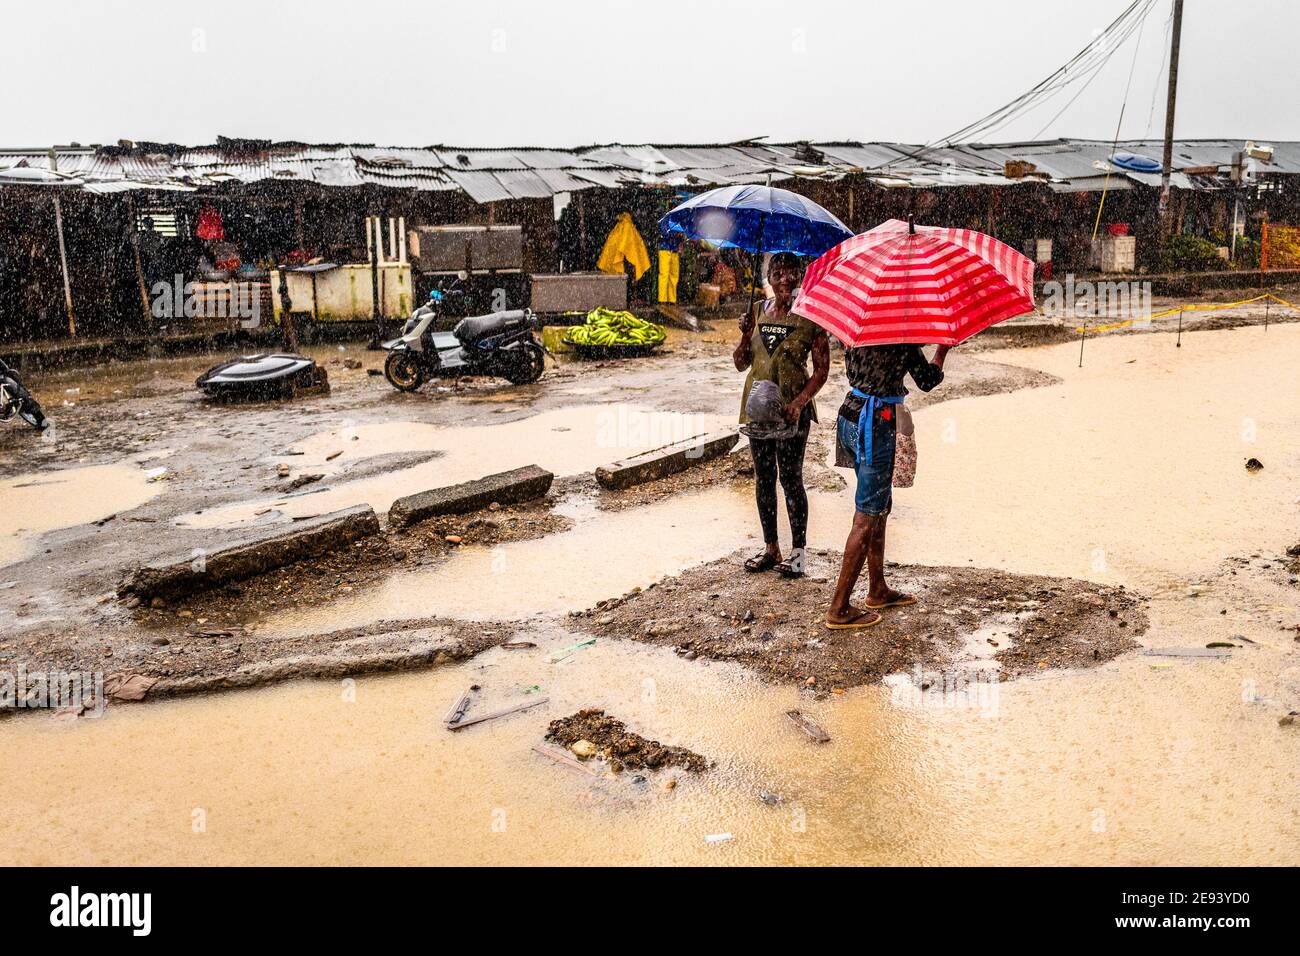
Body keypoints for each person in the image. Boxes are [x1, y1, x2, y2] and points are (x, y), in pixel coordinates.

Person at [825, 343, 950, 629]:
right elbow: (927, 381)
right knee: (867, 514)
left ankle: (877, 588)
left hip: (850, 414)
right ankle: (839, 607)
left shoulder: (857, 333)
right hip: (876, 422)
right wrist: (942, 350)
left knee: (879, 506)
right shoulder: (902, 339)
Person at [734, 252, 829, 578]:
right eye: (779, 273)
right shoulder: (757, 312)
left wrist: (799, 403)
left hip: (792, 413)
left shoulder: (810, 318)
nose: (785, 279)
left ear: (800, 277)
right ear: (769, 278)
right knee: (763, 479)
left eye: (792, 273)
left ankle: (798, 554)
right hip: (757, 411)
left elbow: (821, 372)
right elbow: (740, 363)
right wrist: (745, 335)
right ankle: (771, 548)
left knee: (790, 479)